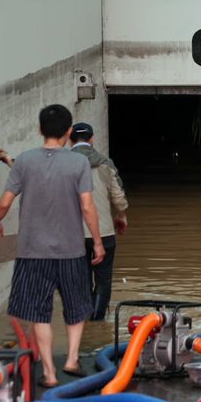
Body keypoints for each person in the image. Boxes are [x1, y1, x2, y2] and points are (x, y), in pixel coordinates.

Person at [0, 104, 104, 387]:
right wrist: (98, 242)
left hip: (32, 252)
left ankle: (50, 373)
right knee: (77, 307)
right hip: (71, 250)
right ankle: (72, 359)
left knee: (38, 312)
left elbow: (5, 201)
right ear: (68, 132)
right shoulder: (78, 163)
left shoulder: (25, 161)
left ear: (40, 130)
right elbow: (87, 207)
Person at [68, 122, 128, 320]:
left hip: (74, 234)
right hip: (104, 232)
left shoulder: (63, 163)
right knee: (103, 280)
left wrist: (9, 161)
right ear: (92, 139)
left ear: (70, 140)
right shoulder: (105, 162)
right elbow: (118, 195)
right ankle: (98, 320)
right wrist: (121, 216)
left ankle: (84, 320)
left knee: (81, 279)